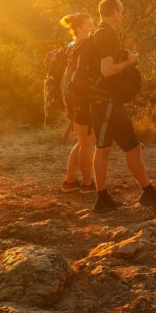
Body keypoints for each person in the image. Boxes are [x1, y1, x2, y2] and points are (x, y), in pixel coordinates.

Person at [87, 0, 156, 213]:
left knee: (119, 148)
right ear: (113, 12)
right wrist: (131, 61)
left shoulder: (98, 33)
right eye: (122, 11)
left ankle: (136, 193)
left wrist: (124, 56)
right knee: (117, 148)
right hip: (106, 103)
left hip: (104, 103)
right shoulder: (107, 35)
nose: (123, 16)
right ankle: (115, 197)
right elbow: (106, 70)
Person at [59, 12, 96, 193]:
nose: (92, 27)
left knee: (83, 142)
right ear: (79, 28)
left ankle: (70, 181)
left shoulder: (71, 46)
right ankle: (88, 184)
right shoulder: (85, 47)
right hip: (82, 101)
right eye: (89, 24)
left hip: (72, 100)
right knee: (87, 143)